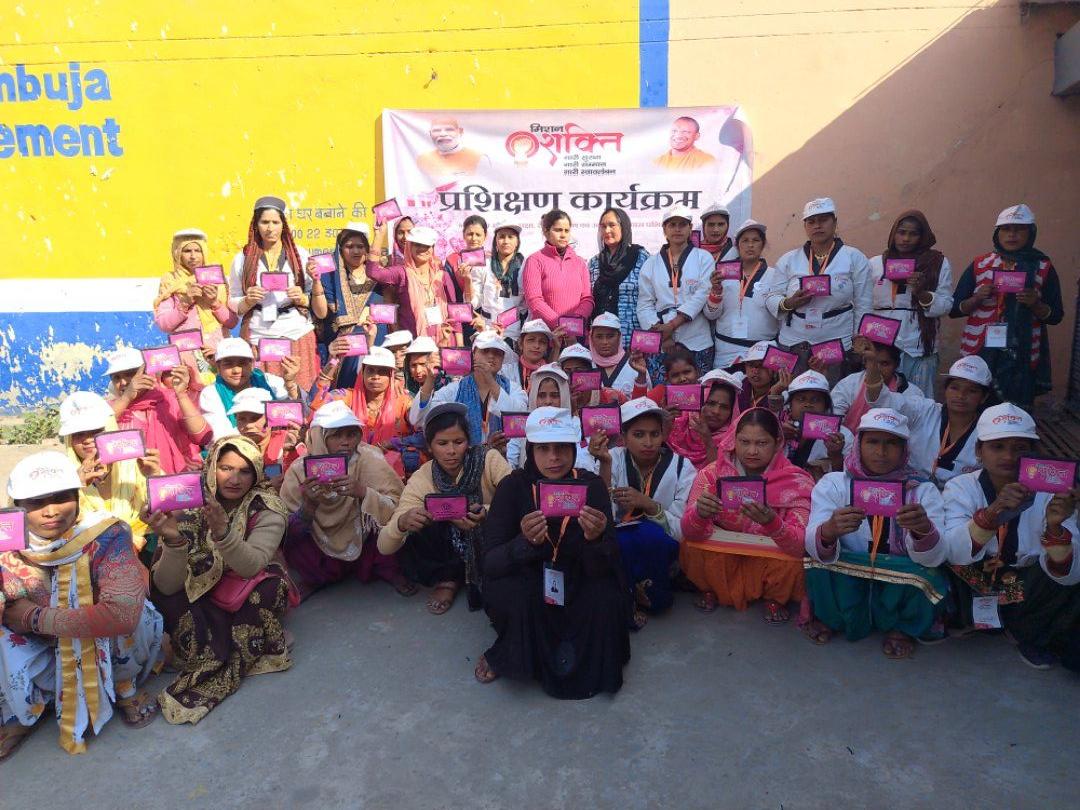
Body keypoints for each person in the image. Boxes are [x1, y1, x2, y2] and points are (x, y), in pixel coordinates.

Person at [0, 451, 163, 758]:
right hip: (43, 646)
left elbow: (122, 614)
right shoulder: (5, 540)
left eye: (61, 498)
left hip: (105, 641)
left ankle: (123, 684)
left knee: (138, 613)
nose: (51, 511)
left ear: (77, 496)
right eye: (36, 502)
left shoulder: (107, 533)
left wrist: (35, 617)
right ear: (17, 505)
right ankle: (26, 707)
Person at [475, 407, 630, 697]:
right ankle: (511, 649)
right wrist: (523, 543)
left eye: (561, 448)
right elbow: (491, 562)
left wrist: (595, 540)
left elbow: (610, 559)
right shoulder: (513, 487)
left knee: (606, 597)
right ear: (530, 450)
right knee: (516, 595)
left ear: (573, 449)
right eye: (543, 448)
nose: (554, 457)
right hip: (530, 575)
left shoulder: (591, 485)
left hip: (579, 573)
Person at [147, 437, 297, 724]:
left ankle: (242, 640)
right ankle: (228, 640)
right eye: (226, 468)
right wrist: (174, 541)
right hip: (199, 589)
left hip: (244, 586)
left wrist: (223, 533)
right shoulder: (190, 504)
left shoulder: (268, 507)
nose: (234, 479)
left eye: (245, 471)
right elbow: (167, 587)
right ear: (212, 467)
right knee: (162, 582)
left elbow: (251, 566)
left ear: (256, 473)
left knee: (269, 589)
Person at [943, 403, 1080, 670]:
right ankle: (976, 618)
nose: (1008, 456)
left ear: (1033, 453)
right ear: (979, 451)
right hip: (974, 579)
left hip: (1026, 584)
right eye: (997, 447)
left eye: (1020, 448)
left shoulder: (1052, 493)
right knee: (938, 552)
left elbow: (1071, 572)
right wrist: (992, 512)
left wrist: (1055, 527)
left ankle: (1027, 633)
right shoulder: (961, 486)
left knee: (1067, 564)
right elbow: (954, 551)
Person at [804, 409, 949, 657]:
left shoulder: (922, 490)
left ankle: (902, 627)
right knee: (814, 561)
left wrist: (923, 530)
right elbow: (812, 538)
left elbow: (936, 556)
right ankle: (832, 617)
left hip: (899, 572)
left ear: (904, 449)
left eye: (891, 443)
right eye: (872, 442)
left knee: (930, 572)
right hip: (849, 567)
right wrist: (829, 530)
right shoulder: (834, 483)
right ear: (858, 444)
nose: (881, 452)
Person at [680, 408, 815, 623]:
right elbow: (688, 531)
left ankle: (775, 598)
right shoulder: (712, 474)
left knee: (795, 561)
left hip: (769, 555)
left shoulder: (796, 482)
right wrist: (699, 513)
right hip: (724, 552)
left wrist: (772, 523)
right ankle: (710, 587)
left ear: (778, 443)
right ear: (733, 440)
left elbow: (801, 545)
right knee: (690, 545)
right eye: (744, 442)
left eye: (762, 443)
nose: (752, 451)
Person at [378, 403, 512, 614]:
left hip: (489, 539)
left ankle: (480, 574)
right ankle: (448, 579)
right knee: (417, 527)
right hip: (445, 547)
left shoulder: (488, 459)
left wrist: (486, 512)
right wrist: (402, 523)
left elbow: (516, 500)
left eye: (458, 442)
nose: (451, 451)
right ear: (430, 447)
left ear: (468, 442)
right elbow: (384, 546)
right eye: (442, 443)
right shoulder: (423, 477)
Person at [279, 401, 411, 600]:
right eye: (336, 436)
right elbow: (285, 525)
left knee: (393, 527)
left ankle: (388, 569)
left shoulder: (369, 457)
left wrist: (363, 493)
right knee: (295, 543)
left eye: (351, 435)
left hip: (362, 534)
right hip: (319, 540)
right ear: (319, 437)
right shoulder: (299, 469)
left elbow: (396, 504)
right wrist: (309, 506)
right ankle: (316, 578)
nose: (345, 442)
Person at [590, 398, 696, 629]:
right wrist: (604, 464)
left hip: (661, 547)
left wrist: (649, 505)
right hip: (620, 546)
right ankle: (626, 599)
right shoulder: (612, 458)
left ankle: (637, 595)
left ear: (663, 434)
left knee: (649, 535)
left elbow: (681, 529)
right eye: (638, 435)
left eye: (654, 434)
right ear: (623, 436)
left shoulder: (682, 467)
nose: (648, 442)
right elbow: (601, 515)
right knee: (620, 540)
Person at [950, 204, 1065, 410]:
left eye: (1019, 229)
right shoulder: (980, 264)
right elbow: (954, 310)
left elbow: (1055, 316)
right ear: (997, 233)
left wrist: (1036, 304)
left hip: (1023, 352)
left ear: (1031, 233)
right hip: (980, 348)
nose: (1012, 235)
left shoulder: (1043, 267)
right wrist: (977, 298)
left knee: (1016, 409)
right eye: (1006, 229)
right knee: (976, 403)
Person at [768, 198, 872, 382]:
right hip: (794, 341)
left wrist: (859, 337)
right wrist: (789, 303)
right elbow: (772, 297)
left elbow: (864, 303)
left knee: (833, 392)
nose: (817, 225)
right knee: (794, 391)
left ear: (835, 222)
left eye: (823, 220)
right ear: (805, 226)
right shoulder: (789, 259)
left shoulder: (854, 257)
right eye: (811, 221)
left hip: (836, 341)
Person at [229, 195, 326, 390]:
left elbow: (314, 296)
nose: (270, 228)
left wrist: (302, 298)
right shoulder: (243, 258)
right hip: (259, 335)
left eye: (275, 222)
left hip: (296, 332)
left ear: (283, 225)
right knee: (263, 393)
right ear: (256, 225)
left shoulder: (299, 255)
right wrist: (248, 300)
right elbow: (233, 301)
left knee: (299, 391)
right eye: (265, 222)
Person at [862, 355, 993, 487]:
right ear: (945, 390)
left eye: (971, 391)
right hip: (909, 489)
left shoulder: (989, 431)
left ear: (984, 397)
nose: (960, 396)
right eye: (954, 388)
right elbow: (882, 400)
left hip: (959, 496)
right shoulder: (924, 410)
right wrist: (872, 363)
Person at [59, 391, 160, 554]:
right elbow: (58, 527)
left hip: (147, 547)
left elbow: (171, 509)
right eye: (78, 434)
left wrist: (154, 477)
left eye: (95, 431)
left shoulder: (139, 464)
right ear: (69, 440)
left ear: (110, 428)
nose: (87, 440)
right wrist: (74, 488)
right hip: (89, 555)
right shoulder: (63, 476)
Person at [868, 210, 954, 395]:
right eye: (901, 232)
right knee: (881, 397)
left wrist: (921, 292)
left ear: (922, 237)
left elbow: (946, 305)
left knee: (918, 398)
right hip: (881, 341)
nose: (906, 238)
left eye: (913, 234)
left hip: (918, 343)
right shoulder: (875, 263)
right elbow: (863, 301)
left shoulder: (937, 263)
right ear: (893, 233)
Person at [409, 331, 527, 450]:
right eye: (485, 351)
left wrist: (490, 380)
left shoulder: (513, 388)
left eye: (497, 353)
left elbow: (518, 420)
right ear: (474, 353)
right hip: (464, 459)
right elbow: (419, 419)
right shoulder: (455, 389)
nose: (491, 356)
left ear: (502, 358)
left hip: (504, 458)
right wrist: (430, 378)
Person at [637, 205, 715, 380]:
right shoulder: (651, 263)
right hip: (662, 341)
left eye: (682, 224)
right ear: (664, 229)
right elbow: (644, 304)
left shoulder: (704, 258)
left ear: (690, 228)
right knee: (662, 392)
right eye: (672, 225)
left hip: (696, 338)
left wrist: (672, 326)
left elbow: (703, 294)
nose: (677, 229)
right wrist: (662, 335)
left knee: (698, 390)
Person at [104, 346, 207, 474]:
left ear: (147, 373)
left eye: (130, 374)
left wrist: (181, 395)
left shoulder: (169, 399)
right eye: (116, 377)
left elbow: (202, 437)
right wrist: (126, 398)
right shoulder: (111, 408)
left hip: (176, 480)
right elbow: (99, 433)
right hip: (132, 483)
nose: (123, 382)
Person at [153, 227, 237, 384]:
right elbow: (164, 324)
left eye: (197, 250)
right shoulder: (170, 281)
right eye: (187, 251)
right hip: (185, 355)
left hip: (216, 352)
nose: (193, 256)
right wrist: (185, 302)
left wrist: (214, 302)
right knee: (189, 393)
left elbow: (231, 322)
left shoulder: (217, 279)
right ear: (178, 253)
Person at [315, 221, 385, 387]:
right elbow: (321, 313)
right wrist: (316, 281)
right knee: (346, 392)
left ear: (367, 249)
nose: (356, 251)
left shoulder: (378, 275)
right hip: (344, 347)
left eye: (360, 246)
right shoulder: (329, 278)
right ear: (340, 249)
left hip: (376, 340)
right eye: (349, 246)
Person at [704, 219, 780, 368]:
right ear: (737, 245)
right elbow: (711, 315)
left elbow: (781, 316)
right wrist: (716, 291)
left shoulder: (775, 276)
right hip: (726, 352)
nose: (750, 245)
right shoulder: (722, 275)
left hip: (761, 353)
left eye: (755, 240)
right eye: (745, 240)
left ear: (763, 244)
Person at [368, 225, 458, 346]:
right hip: (414, 348)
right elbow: (373, 272)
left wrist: (460, 346)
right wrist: (379, 236)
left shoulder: (443, 277)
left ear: (432, 248)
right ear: (410, 247)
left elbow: (454, 315)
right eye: (417, 245)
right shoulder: (402, 273)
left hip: (444, 343)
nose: (422, 249)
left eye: (427, 246)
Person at [197, 337, 299, 441]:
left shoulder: (269, 381)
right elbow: (220, 435)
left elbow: (294, 414)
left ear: (252, 364)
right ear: (218, 367)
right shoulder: (211, 393)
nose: (236, 370)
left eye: (242, 363)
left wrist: (290, 382)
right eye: (228, 364)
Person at [506, 363, 594, 471]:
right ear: (534, 397)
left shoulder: (577, 427)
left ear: (564, 396)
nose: (548, 401)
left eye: (555, 395)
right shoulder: (523, 426)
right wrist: (502, 453)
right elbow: (509, 466)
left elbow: (586, 468)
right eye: (542, 395)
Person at [769, 370, 852, 480]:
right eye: (801, 399)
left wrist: (836, 455)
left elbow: (847, 481)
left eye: (815, 400)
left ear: (826, 406)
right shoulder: (778, 429)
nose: (808, 404)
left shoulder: (842, 435)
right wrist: (777, 438)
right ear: (790, 405)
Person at [522, 209, 594, 333]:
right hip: (545, 335)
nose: (563, 235)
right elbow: (534, 300)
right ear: (546, 231)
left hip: (576, 334)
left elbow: (587, 299)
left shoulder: (580, 263)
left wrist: (575, 322)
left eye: (566, 230)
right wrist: (559, 324)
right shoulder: (534, 260)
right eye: (558, 230)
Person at [831, 337, 925, 432]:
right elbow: (833, 419)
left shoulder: (913, 393)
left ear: (896, 364)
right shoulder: (849, 384)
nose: (878, 369)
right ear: (865, 362)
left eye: (884, 364)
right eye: (873, 362)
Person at [588, 207, 649, 344]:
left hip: (632, 337)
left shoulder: (641, 258)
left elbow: (651, 298)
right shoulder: (594, 262)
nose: (607, 230)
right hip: (601, 340)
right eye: (603, 226)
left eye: (612, 225)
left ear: (624, 227)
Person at [667, 370, 742, 469]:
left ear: (732, 411)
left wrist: (708, 440)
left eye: (724, 407)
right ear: (700, 402)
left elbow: (720, 472)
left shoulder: (734, 440)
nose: (716, 411)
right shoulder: (679, 424)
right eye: (711, 403)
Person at [227, 388, 304, 481]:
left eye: (255, 418)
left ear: (270, 418)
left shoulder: (289, 441)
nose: (248, 425)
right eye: (242, 419)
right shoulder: (231, 449)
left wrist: (288, 452)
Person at [472, 220, 526, 344]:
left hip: (513, 332)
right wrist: (467, 280)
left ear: (517, 242)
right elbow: (474, 302)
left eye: (511, 237)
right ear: (495, 240)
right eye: (501, 237)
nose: (506, 241)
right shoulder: (484, 265)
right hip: (486, 329)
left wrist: (514, 314)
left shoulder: (525, 267)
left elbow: (527, 303)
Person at [588, 312, 650, 398]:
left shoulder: (635, 364)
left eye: (610, 336)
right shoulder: (586, 364)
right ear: (591, 338)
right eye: (599, 336)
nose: (605, 342)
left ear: (619, 337)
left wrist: (641, 375)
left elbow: (645, 402)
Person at [416, 116, 491, 180]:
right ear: (430, 133)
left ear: (460, 131)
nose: (443, 134)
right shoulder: (423, 159)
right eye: (436, 130)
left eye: (449, 129)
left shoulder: (478, 158)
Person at [503, 318, 556, 390]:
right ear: (521, 344)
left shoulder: (553, 373)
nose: (537, 346)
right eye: (531, 340)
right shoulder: (506, 371)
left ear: (546, 347)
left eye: (542, 342)